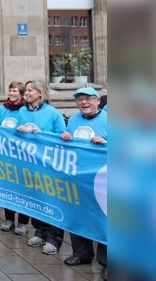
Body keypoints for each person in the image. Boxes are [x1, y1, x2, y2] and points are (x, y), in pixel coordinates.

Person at [17, 80, 67, 255]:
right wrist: (19, 129)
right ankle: (39, 231)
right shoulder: (22, 111)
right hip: (30, 164)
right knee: (35, 197)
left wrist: (43, 133)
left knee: (50, 199)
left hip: (49, 164)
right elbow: (15, 133)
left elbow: (62, 136)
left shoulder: (53, 113)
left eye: (30, 90)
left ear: (40, 93)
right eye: (26, 90)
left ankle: (54, 238)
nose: (26, 93)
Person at [60, 87, 107, 270]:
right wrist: (63, 137)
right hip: (77, 177)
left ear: (97, 101)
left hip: (104, 180)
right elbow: (65, 144)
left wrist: (106, 143)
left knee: (105, 219)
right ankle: (81, 253)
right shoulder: (73, 120)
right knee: (78, 215)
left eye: (88, 98)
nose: (84, 102)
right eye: (80, 99)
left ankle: (108, 262)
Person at [0, 81, 29, 233]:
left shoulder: (26, 110)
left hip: (21, 155)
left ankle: (22, 222)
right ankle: (9, 219)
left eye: (15, 91)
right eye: (10, 90)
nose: (12, 94)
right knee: (7, 187)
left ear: (21, 93)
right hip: (5, 154)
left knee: (23, 189)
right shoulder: (3, 109)